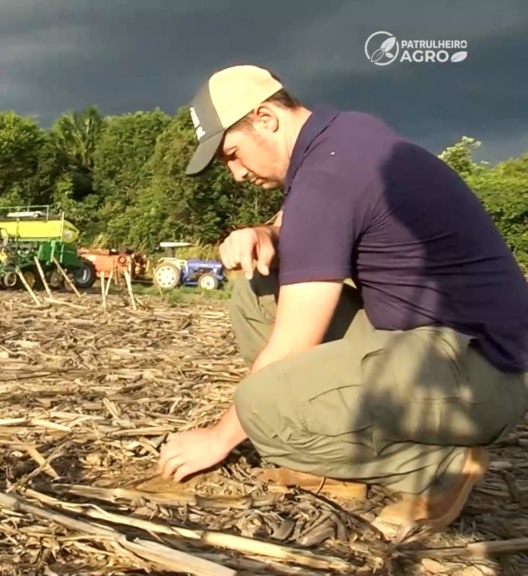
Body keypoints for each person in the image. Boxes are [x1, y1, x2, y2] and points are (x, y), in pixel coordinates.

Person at [156, 64, 528, 542]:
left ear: (265, 118)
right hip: (442, 350)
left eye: (232, 153)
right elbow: (321, 217)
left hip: (485, 374)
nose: (235, 173)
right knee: (256, 289)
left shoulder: (327, 175)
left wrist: (220, 436)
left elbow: (294, 341)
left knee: (260, 406)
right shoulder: (342, 141)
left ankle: (439, 467)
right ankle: (325, 450)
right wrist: (267, 233)